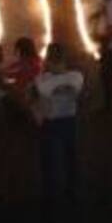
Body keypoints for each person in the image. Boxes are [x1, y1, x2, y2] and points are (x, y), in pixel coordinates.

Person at [32, 43, 82, 207]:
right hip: (69, 120)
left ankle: (50, 194)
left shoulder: (42, 80)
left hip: (51, 123)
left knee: (49, 159)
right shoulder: (76, 77)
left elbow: (43, 94)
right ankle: (72, 190)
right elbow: (73, 90)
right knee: (70, 156)